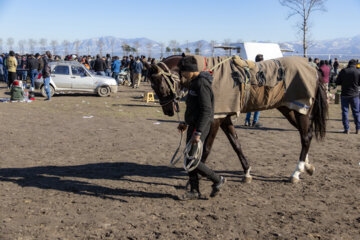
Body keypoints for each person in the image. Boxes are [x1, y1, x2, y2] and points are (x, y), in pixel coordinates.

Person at [177, 56, 225, 200]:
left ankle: (217, 180)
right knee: (188, 158)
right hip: (193, 125)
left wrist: (198, 132)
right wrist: (185, 123)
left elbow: (206, 110)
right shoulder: (194, 83)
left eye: (183, 72)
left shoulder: (201, 84)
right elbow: (193, 107)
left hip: (199, 127)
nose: (182, 75)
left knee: (192, 160)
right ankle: (194, 191)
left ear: (190, 70)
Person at [335, 59, 360, 134]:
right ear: (355, 64)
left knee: (345, 112)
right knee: (356, 112)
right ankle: (358, 129)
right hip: (355, 95)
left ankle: (347, 129)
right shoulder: (358, 71)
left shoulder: (343, 71)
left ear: (348, 64)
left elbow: (337, 82)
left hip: (345, 94)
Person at [245, 54, 264, 127]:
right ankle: (255, 121)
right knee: (258, 106)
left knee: (250, 106)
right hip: (258, 88)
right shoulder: (261, 67)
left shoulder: (251, 66)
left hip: (250, 88)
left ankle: (247, 121)